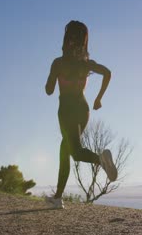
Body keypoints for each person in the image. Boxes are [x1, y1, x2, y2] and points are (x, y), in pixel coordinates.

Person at [44, 20, 118, 209]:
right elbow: (107, 73)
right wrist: (98, 99)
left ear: (66, 39)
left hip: (67, 109)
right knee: (65, 149)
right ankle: (58, 198)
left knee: (75, 153)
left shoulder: (59, 63)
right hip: (83, 109)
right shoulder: (87, 64)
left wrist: (52, 78)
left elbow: (49, 90)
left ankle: (100, 159)